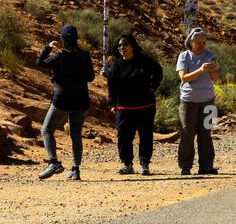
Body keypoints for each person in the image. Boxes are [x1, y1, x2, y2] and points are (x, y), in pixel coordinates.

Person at [37, 24, 95, 181]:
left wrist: (48, 47)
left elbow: (40, 62)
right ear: (77, 39)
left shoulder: (58, 57)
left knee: (47, 130)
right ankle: (75, 170)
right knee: (76, 135)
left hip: (62, 100)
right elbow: (91, 77)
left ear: (62, 40)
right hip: (81, 100)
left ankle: (54, 162)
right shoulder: (85, 56)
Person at [105, 33, 164, 176]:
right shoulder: (116, 65)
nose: (122, 47)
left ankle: (144, 164)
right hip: (124, 107)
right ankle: (127, 164)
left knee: (145, 136)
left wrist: (153, 86)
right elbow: (112, 85)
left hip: (145, 106)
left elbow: (158, 71)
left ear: (132, 46)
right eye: (119, 45)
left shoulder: (143, 60)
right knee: (123, 136)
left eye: (125, 44)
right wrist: (112, 104)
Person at [176, 27, 220, 176]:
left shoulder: (211, 56)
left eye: (203, 42)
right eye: (197, 42)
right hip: (188, 101)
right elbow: (184, 78)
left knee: (206, 133)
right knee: (187, 133)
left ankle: (206, 166)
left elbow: (215, 79)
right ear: (190, 42)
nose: (201, 45)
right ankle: (185, 166)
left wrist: (213, 70)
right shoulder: (184, 57)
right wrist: (201, 70)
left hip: (209, 100)